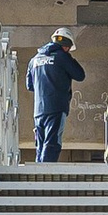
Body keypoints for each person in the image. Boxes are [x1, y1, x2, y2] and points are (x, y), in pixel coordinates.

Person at [27, 28, 85, 162]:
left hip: (39, 109)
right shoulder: (62, 57)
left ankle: (39, 168)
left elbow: (30, 86)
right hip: (57, 106)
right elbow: (80, 75)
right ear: (66, 46)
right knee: (52, 141)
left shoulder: (34, 60)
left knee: (40, 143)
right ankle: (46, 170)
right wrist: (69, 60)